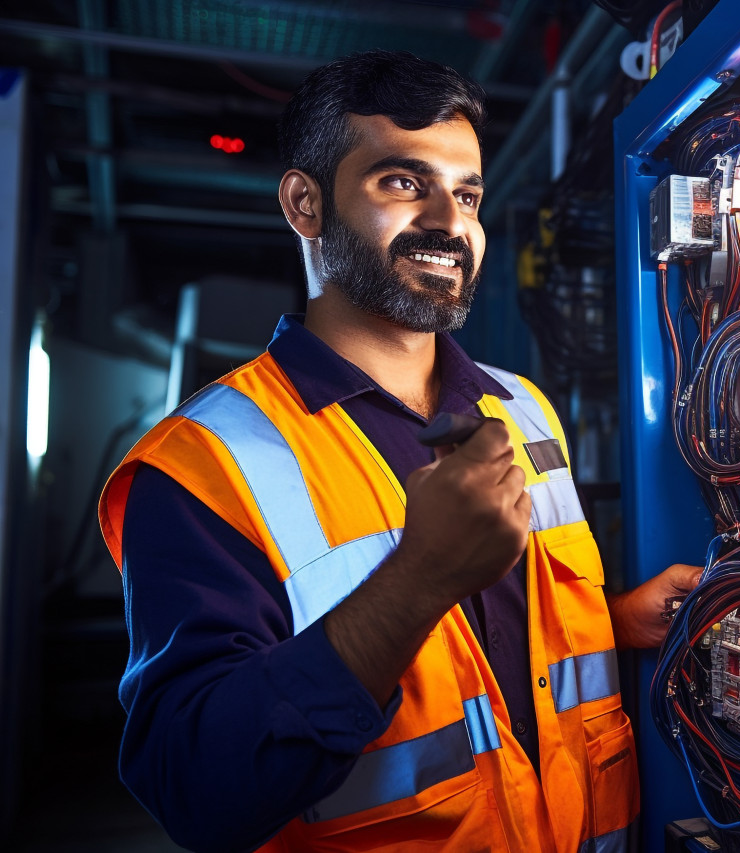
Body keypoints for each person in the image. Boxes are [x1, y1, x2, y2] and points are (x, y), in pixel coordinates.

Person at [97, 49, 700, 853]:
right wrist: (420, 579)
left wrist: (611, 624)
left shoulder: (523, 408)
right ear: (305, 204)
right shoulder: (201, 466)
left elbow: (498, 657)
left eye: (467, 194)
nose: (450, 224)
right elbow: (197, 787)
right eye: (403, 182)